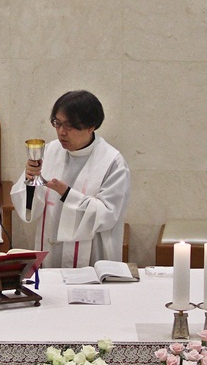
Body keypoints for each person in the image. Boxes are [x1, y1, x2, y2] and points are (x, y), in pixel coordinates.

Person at [9, 90, 129, 267]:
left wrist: (67, 194)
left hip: (90, 257)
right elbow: (28, 208)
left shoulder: (112, 162)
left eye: (69, 126)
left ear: (91, 126)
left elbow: (108, 215)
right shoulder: (49, 151)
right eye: (57, 123)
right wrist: (30, 180)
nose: (61, 132)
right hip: (50, 250)